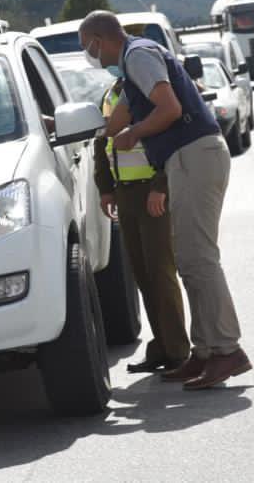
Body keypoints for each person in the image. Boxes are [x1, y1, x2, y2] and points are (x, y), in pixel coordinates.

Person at [79, 11, 250, 390]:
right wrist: (59, 125)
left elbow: (169, 109)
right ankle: (204, 352)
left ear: (99, 40)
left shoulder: (138, 55)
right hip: (184, 159)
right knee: (189, 259)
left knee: (199, 258)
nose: (88, 56)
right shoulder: (129, 70)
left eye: (86, 47)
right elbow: (109, 126)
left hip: (193, 155)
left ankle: (227, 350)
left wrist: (134, 133)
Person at [94, 78, 190, 373]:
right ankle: (161, 348)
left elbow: (170, 139)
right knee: (143, 275)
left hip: (151, 190)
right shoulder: (111, 93)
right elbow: (103, 140)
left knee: (161, 272)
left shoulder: (149, 92)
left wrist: (161, 184)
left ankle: (178, 352)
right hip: (125, 193)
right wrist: (106, 188)